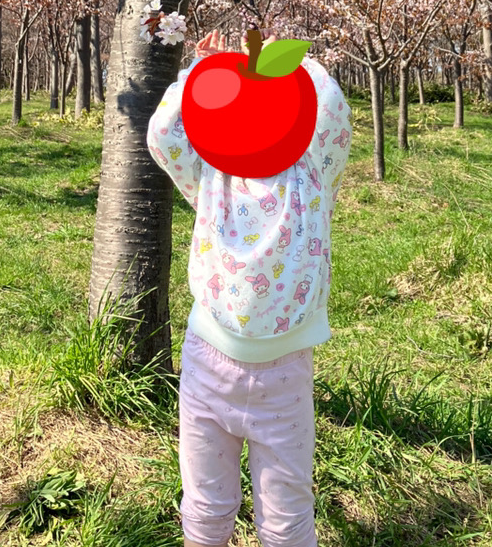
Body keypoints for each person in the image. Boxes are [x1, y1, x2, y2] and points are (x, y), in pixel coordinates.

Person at [147, 28, 352, 547]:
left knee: (285, 519)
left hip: (280, 379)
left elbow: (327, 104)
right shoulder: (214, 173)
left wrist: (252, 67)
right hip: (209, 365)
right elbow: (166, 133)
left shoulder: (311, 175)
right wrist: (209, 72)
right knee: (206, 507)